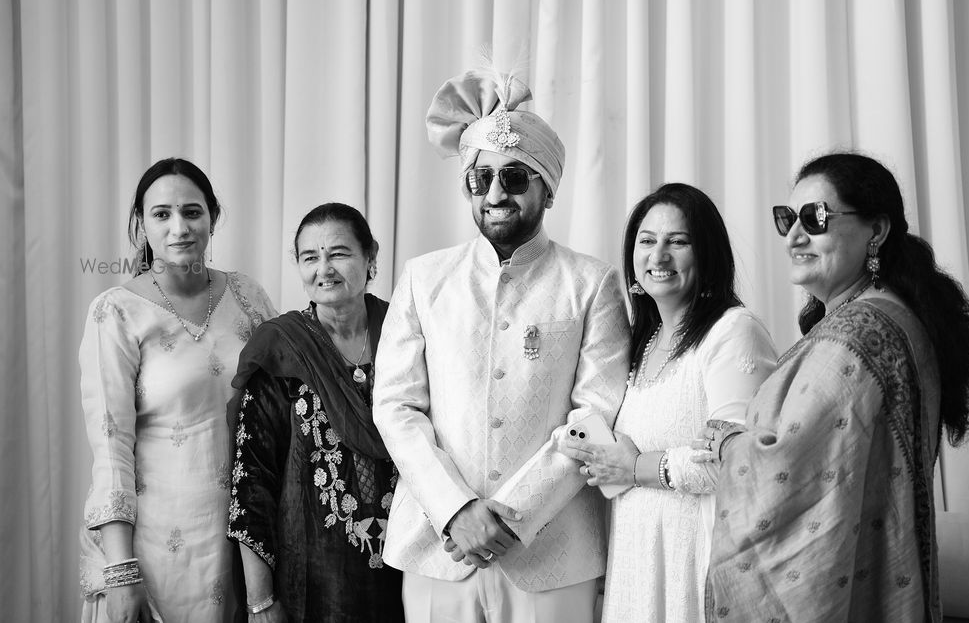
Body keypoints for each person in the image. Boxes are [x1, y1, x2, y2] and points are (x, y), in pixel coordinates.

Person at [371, 68, 632, 623]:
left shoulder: (591, 284)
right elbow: (396, 406)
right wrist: (456, 510)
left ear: (547, 189)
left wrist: (514, 514)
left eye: (513, 177)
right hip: (440, 547)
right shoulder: (423, 278)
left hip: (554, 553)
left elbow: (596, 413)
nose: (494, 194)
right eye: (480, 178)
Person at [699, 152, 969, 622]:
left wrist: (728, 443)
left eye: (815, 218)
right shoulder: (894, 316)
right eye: (787, 218)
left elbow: (786, 468)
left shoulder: (855, 337)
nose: (794, 235)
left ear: (877, 231)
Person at [557, 183, 778, 622]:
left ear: (707, 253)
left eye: (677, 241)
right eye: (647, 241)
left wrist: (636, 466)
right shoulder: (640, 343)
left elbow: (741, 462)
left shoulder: (733, 333)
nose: (658, 256)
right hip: (636, 568)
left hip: (699, 565)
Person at [79, 158, 277, 622]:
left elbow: (280, 415)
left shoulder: (248, 296)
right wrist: (121, 572)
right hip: (154, 551)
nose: (179, 227)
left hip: (244, 541)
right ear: (141, 223)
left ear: (213, 216)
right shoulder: (116, 312)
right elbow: (111, 447)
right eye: (161, 214)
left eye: (192, 212)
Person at [226, 203, 404, 622]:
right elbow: (252, 481)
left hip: (408, 571)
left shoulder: (406, 332)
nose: (324, 269)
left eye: (338, 253)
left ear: (371, 256)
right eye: (310, 257)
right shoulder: (281, 350)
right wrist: (260, 601)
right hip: (311, 583)